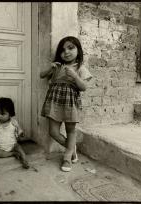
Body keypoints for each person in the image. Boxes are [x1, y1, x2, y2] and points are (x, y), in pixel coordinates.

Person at [40, 36, 92, 172]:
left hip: (70, 102)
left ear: (78, 50)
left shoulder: (80, 68)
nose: (66, 52)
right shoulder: (58, 66)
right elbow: (42, 75)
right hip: (55, 101)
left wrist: (75, 76)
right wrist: (50, 69)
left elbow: (84, 87)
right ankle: (71, 148)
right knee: (53, 131)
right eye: (63, 50)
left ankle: (67, 157)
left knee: (70, 130)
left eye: (71, 48)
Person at [0, 97, 30, 169]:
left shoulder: (13, 122)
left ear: (10, 114)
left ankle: (24, 160)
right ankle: (12, 154)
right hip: (1, 147)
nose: (0, 116)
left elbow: (19, 130)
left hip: (13, 145)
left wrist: (21, 133)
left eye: (3, 114)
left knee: (20, 149)